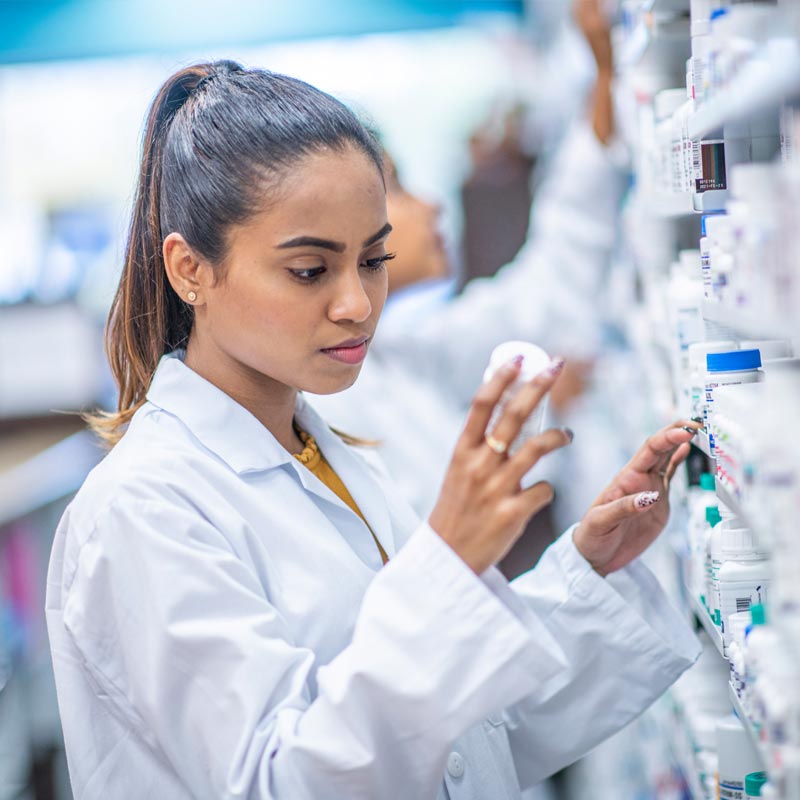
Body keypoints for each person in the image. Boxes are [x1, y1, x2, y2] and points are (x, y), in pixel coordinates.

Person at [46, 60, 701, 800]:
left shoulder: (329, 456)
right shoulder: (144, 510)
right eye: (308, 270)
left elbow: (460, 735)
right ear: (190, 268)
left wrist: (588, 571)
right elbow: (284, 784)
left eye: (374, 259)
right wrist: (447, 566)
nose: (357, 303)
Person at [310, 0, 624, 524]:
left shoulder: (391, 355)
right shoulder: (330, 401)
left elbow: (542, 291)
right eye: (399, 187)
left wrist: (605, 80)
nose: (430, 205)